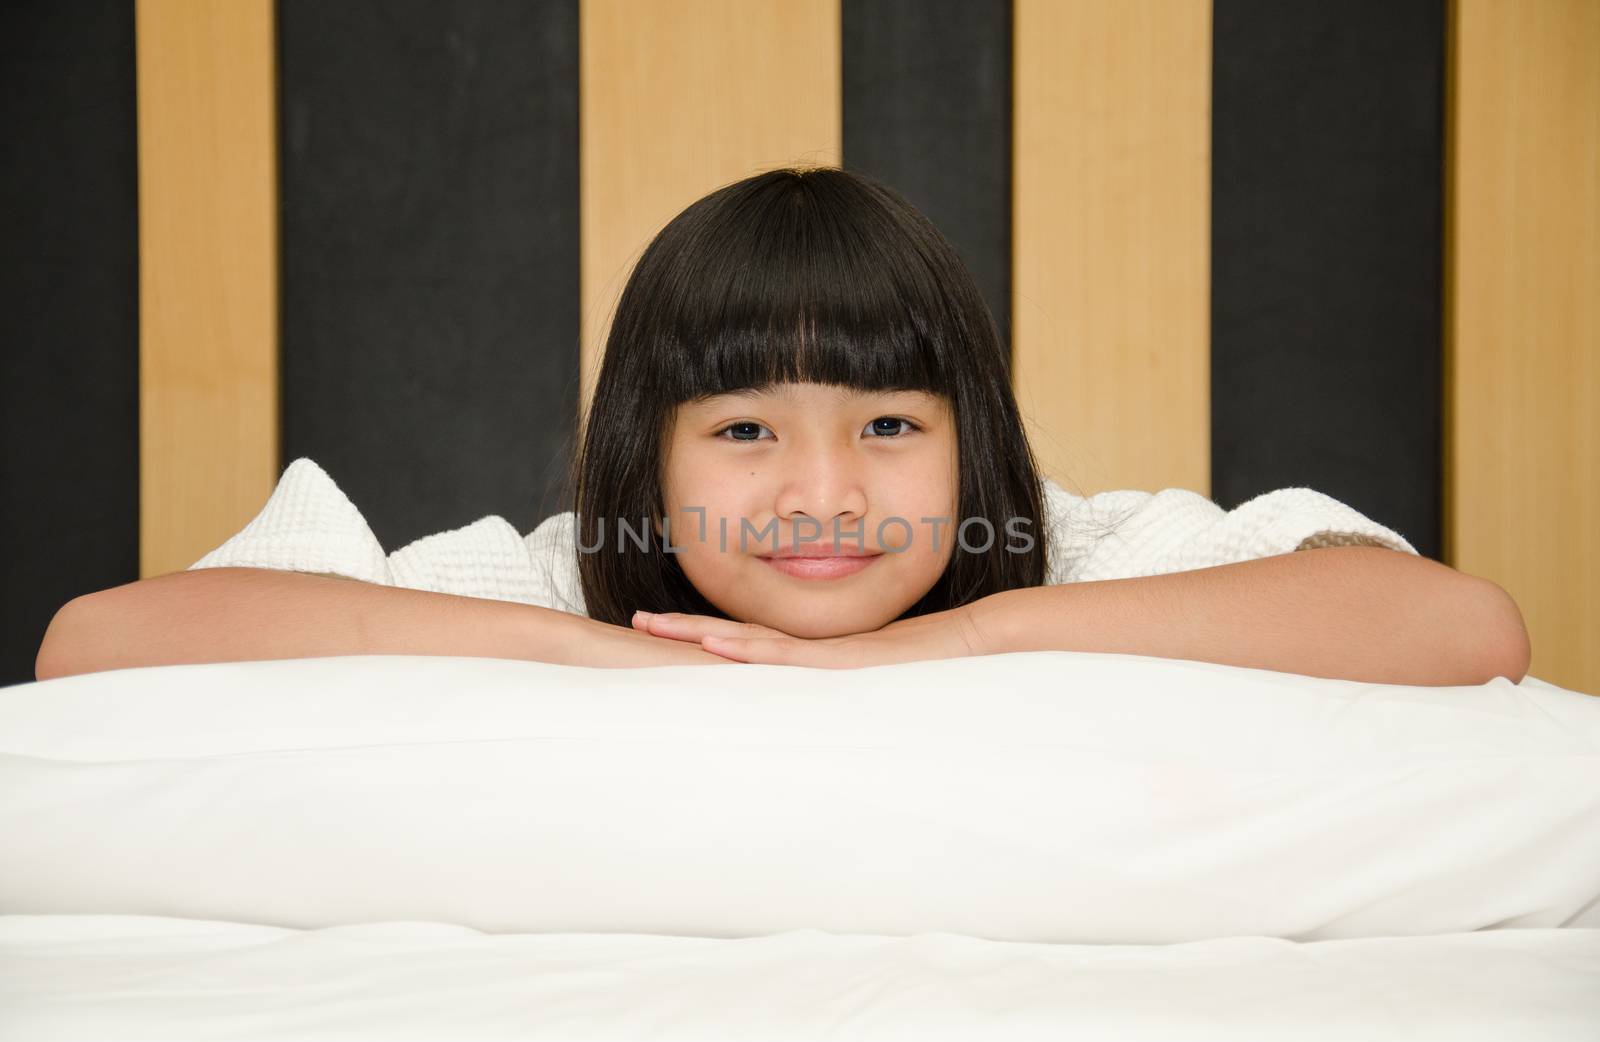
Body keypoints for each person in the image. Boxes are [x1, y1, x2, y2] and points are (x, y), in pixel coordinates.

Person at [38, 166, 1530, 685]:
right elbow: (92, 646)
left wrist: (948, 642)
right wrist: (590, 659)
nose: (823, 494)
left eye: (889, 423)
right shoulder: (575, 573)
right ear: (649, 452)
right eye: (743, 432)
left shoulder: (1070, 555)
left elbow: (1464, 629)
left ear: (975, 446)